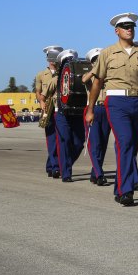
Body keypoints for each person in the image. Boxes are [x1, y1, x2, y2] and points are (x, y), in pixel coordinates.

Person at [85, 13, 138, 206]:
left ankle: (119, 186)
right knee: (126, 141)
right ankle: (126, 190)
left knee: (129, 145)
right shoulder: (107, 53)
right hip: (117, 102)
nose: (129, 29)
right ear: (116, 31)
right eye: (125, 26)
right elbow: (97, 82)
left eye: (132, 26)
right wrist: (91, 109)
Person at [53, 49, 86, 183]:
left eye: (71, 60)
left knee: (79, 143)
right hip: (61, 112)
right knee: (65, 141)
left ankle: (65, 164)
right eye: (67, 61)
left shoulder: (80, 75)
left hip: (77, 112)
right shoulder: (57, 77)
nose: (69, 62)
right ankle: (66, 172)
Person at [82, 47, 110, 186]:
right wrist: (96, 69)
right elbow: (83, 79)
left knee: (103, 144)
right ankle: (99, 174)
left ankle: (95, 173)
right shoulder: (91, 74)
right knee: (94, 143)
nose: (98, 62)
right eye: (95, 60)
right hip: (93, 109)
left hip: (107, 109)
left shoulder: (109, 74)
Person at [35, 46, 62, 178]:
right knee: (51, 139)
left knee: (61, 138)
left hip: (60, 107)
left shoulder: (63, 72)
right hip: (48, 108)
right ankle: (55, 166)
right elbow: (38, 92)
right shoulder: (41, 74)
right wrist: (42, 104)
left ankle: (51, 165)